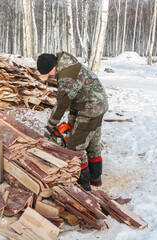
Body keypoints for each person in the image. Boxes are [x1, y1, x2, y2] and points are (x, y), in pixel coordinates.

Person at [37, 51, 108, 191]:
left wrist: (51, 125)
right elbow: (74, 96)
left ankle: (84, 186)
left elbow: (62, 103)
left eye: (47, 72)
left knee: (75, 148)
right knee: (92, 143)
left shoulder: (66, 76)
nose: (46, 76)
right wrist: (71, 121)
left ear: (53, 65)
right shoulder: (67, 64)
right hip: (98, 103)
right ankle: (96, 179)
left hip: (90, 108)